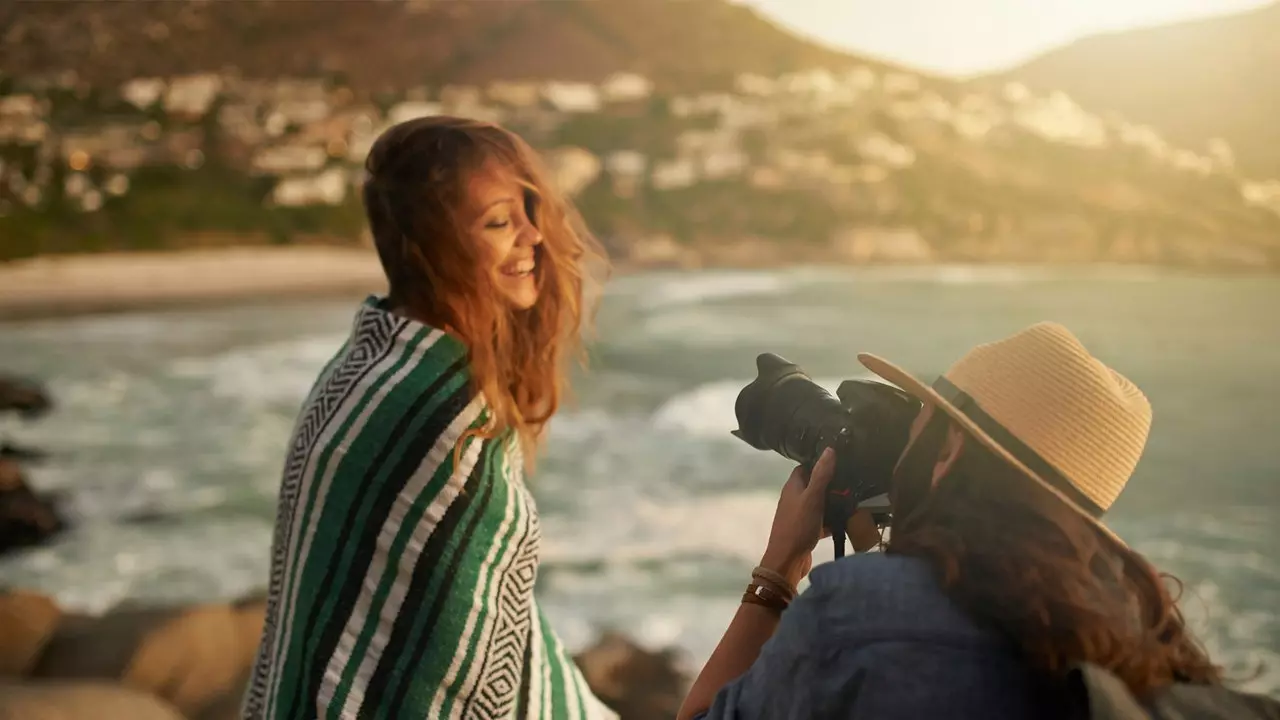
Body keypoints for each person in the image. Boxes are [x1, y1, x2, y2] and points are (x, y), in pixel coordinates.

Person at [241, 116, 615, 720]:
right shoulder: (443, 419)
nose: (533, 236)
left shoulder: (367, 363)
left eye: (528, 210)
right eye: (499, 222)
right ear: (433, 249)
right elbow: (465, 673)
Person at [678, 321, 1234, 720]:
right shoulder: (1143, 644)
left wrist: (781, 568)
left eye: (922, 421)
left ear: (948, 453)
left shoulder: (860, 614)